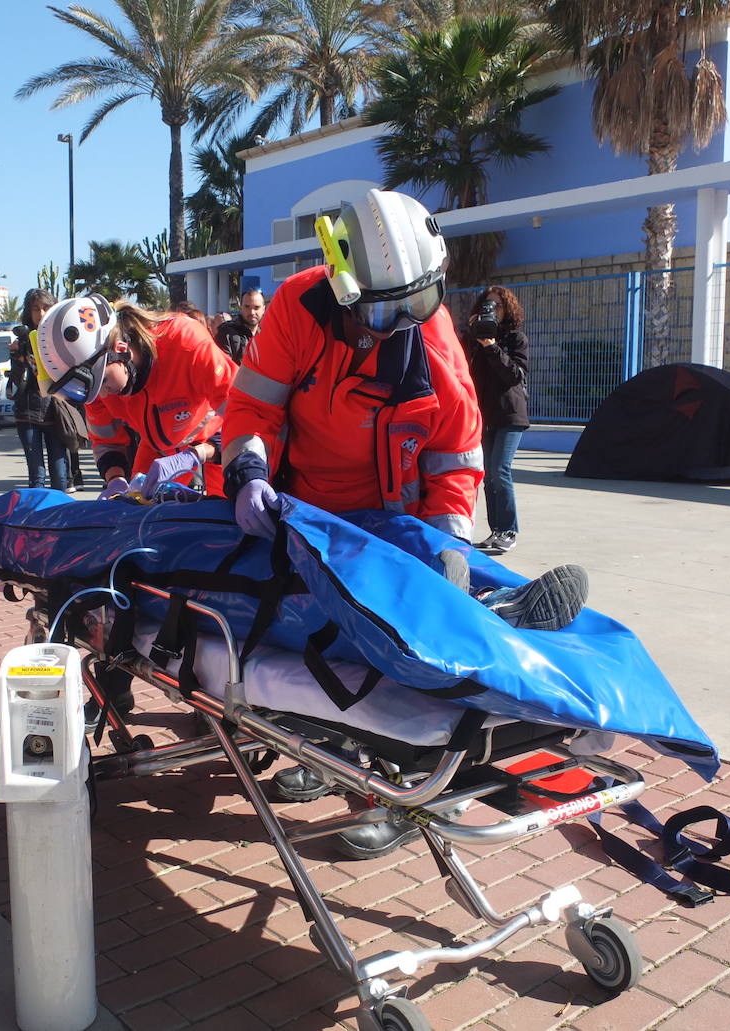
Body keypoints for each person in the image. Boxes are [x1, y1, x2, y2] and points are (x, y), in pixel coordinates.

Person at [220, 188, 588, 859]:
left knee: (399, 620)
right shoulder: (296, 313)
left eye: (414, 304)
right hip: (307, 509)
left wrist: (446, 537)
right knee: (327, 635)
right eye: (384, 308)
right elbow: (253, 409)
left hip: (396, 513)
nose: (397, 324)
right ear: (340, 284)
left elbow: (458, 450)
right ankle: (332, 752)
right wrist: (247, 476)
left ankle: (393, 784)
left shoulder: (432, 336)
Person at [35, 294, 237, 499]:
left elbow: (243, 417)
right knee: (135, 511)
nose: (102, 395)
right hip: (158, 447)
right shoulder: (93, 381)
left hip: (219, 437)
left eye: (104, 381)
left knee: (227, 511)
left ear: (120, 349)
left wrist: (197, 454)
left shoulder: (187, 344)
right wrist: (115, 481)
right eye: (92, 390)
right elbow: (107, 442)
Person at [464, 286, 531, 552]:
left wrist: (492, 347)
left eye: (497, 306)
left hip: (510, 414)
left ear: (507, 310)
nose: (492, 310)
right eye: (487, 305)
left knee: (500, 470)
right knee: (488, 474)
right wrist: (471, 336)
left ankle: (509, 530)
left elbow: (515, 375)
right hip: (485, 415)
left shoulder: (516, 339)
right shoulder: (475, 340)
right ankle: (496, 531)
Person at [7, 288, 68, 490]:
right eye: (35, 309)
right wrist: (18, 358)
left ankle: (63, 514)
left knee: (59, 471)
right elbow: (18, 381)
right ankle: (39, 517)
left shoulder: (61, 338)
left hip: (56, 411)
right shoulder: (22, 341)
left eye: (45, 308)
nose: (41, 314)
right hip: (28, 412)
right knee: (36, 474)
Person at [215, 288, 265, 365]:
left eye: (256, 307)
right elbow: (223, 367)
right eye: (247, 307)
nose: (252, 312)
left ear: (263, 309)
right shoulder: (226, 333)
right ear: (241, 308)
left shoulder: (270, 334)